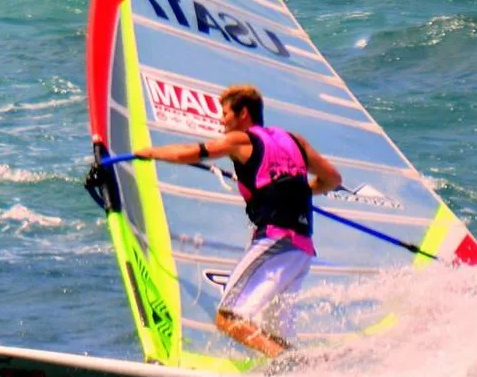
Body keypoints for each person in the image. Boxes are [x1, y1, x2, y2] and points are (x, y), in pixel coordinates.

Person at [134, 85, 342, 357]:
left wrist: (148, 153)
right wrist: (300, 189)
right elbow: (333, 179)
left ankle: (287, 362)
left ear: (243, 113)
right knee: (275, 332)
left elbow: (189, 152)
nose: (221, 121)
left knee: (228, 318)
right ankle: (300, 369)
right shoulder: (295, 141)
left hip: (275, 241)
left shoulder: (241, 141)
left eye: (225, 113)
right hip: (301, 248)